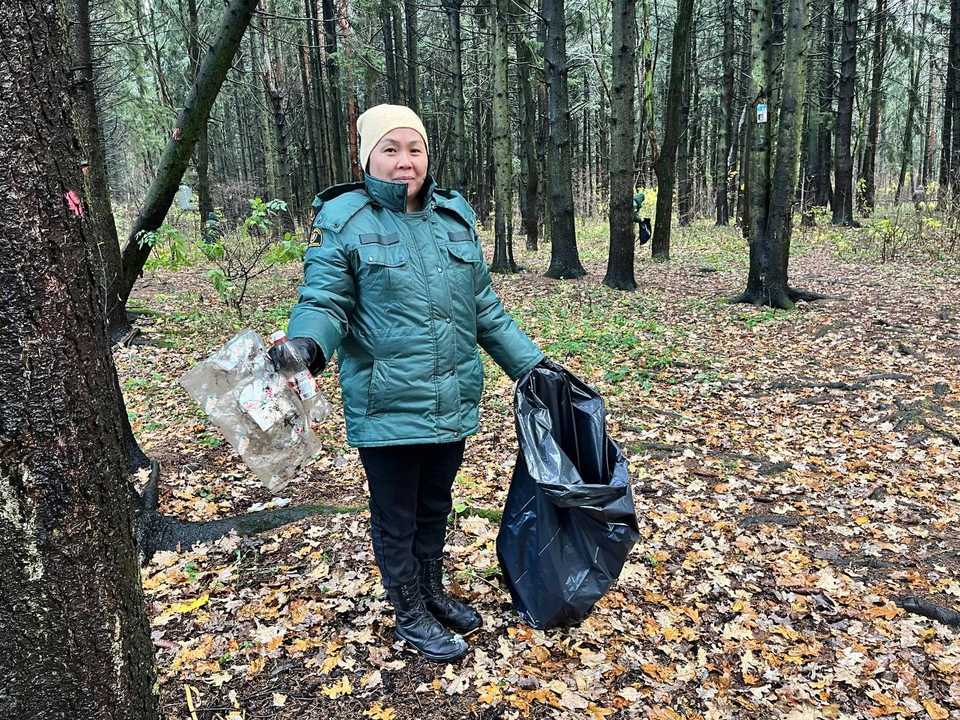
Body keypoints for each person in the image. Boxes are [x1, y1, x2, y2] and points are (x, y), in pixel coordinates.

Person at [269, 104, 548, 663]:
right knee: (395, 516)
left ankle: (430, 591)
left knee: (435, 506)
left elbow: (484, 310)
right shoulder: (346, 221)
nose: (405, 161)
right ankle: (408, 609)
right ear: (367, 156)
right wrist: (308, 344)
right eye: (390, 149)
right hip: (387, 402)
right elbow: (325, 301)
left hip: (451, 397)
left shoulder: (453, 218)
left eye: (414, 149)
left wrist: (534, 368)